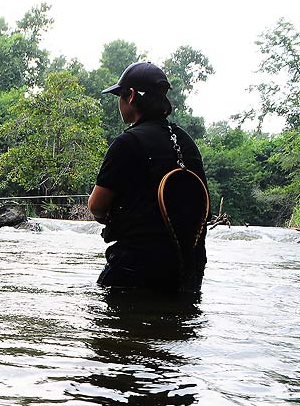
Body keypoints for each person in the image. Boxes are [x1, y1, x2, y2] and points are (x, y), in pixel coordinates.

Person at [88, 61, 209, 292]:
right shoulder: (187, 142)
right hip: (188, 271)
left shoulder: (127, 143)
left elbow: (96, 206)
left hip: (136, 269)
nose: (119, 103)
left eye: (120, 96)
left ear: (131, 95)